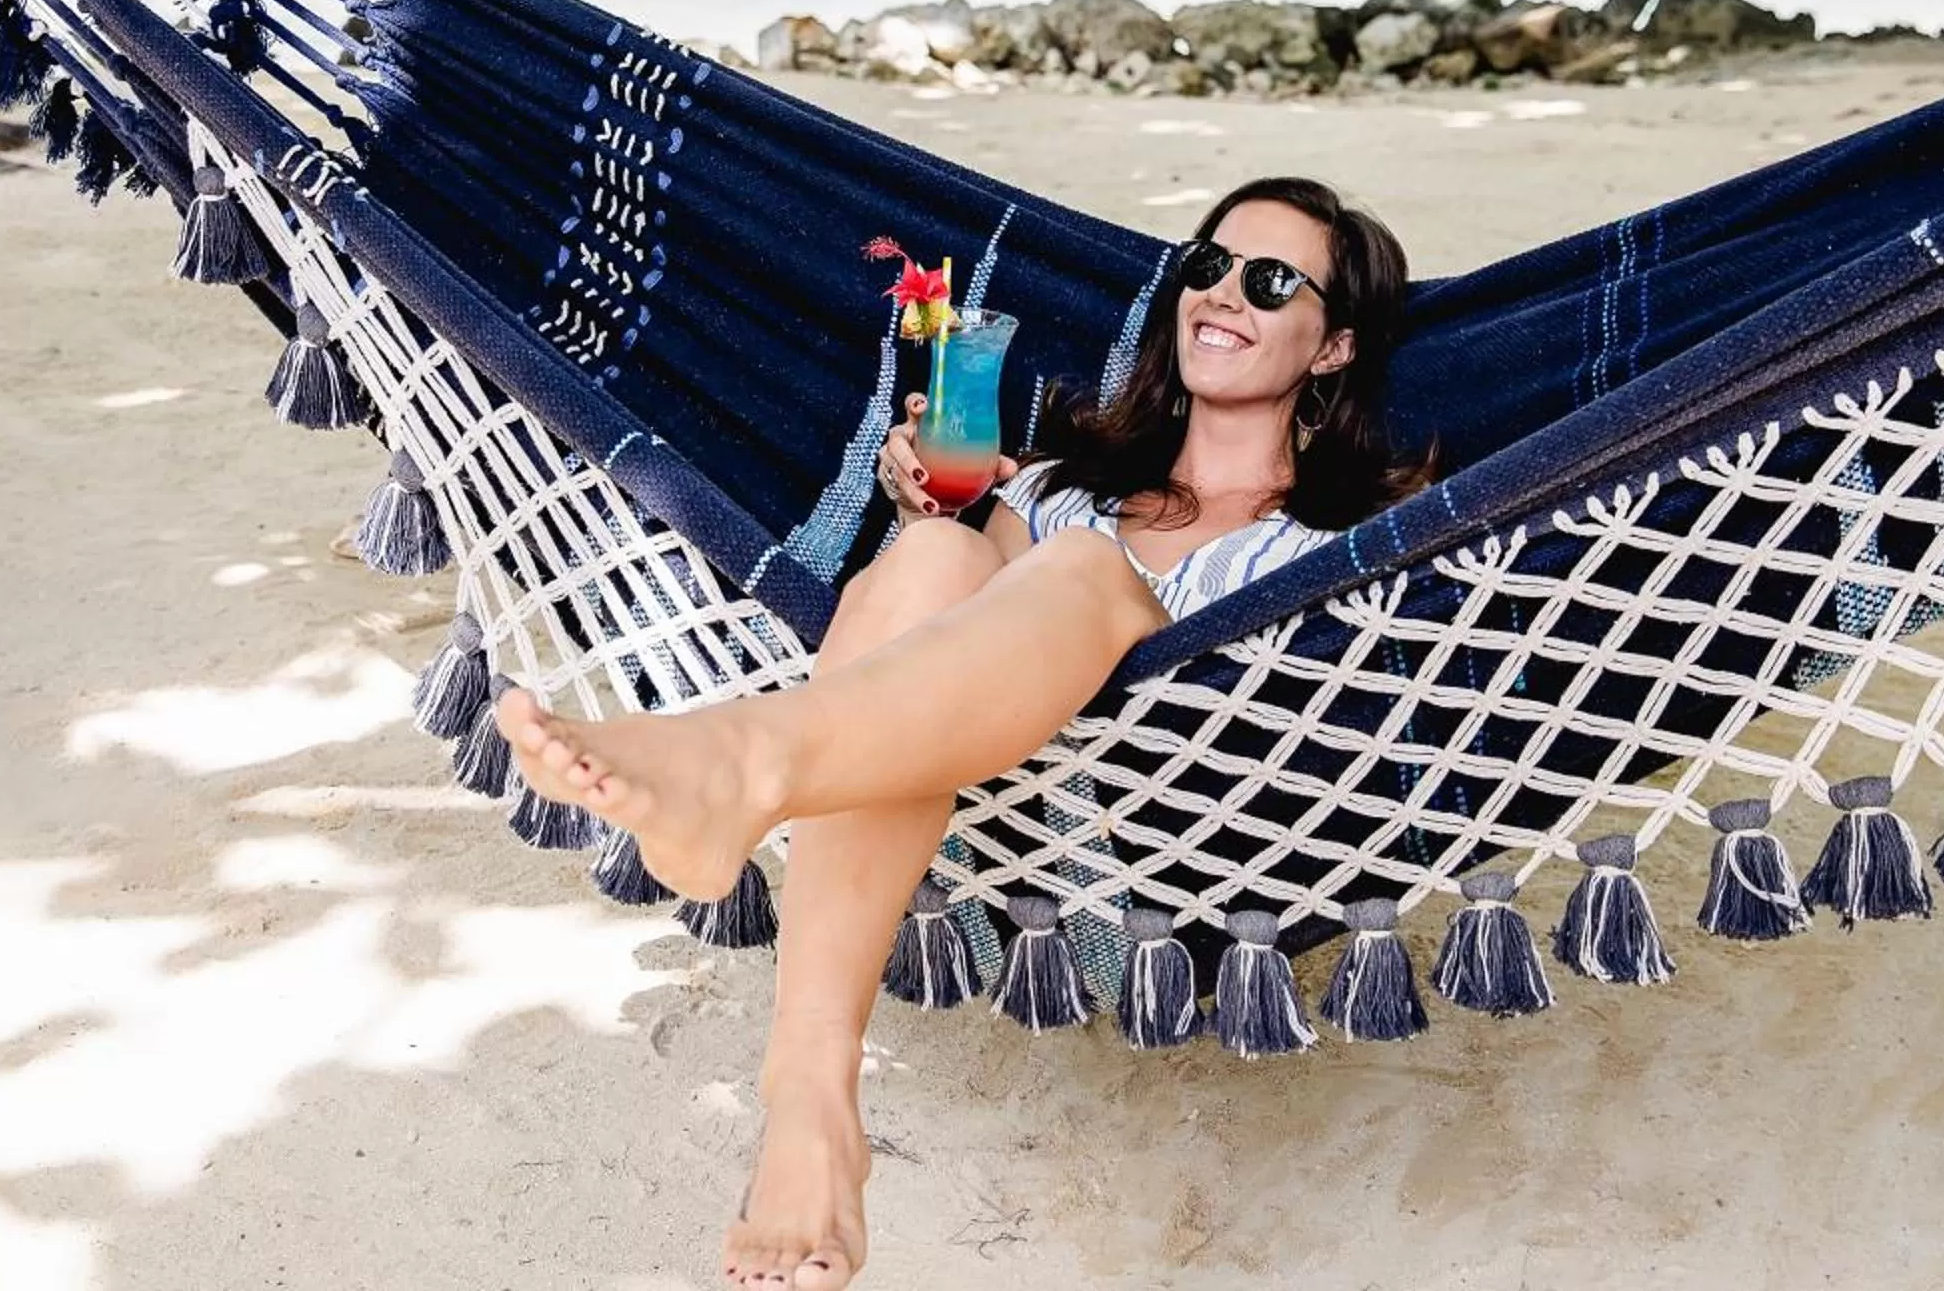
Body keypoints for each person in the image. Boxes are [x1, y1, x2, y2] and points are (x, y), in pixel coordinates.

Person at [496, 175, 1430, 1288]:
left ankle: (744, 763)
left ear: (1331, 348)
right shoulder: (1054, 486)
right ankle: (809, 1092)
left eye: (1270, 281)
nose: (1220, 293)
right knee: (940, 554)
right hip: (980, 771)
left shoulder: (1335, 544)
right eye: (1205, 264)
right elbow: (930, 615)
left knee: (1082, 566)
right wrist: (927, 500)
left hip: (1165, 810)